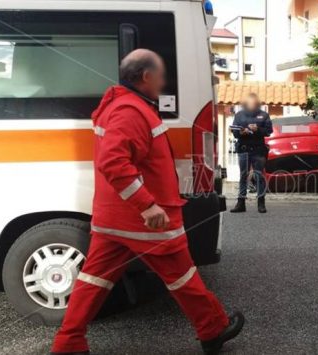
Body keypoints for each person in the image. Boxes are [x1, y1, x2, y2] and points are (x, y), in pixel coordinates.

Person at [50, 49, 244, 355]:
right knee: (183, 276)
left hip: (113, 217)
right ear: (146, 76)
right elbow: (114, 163)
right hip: (145, 221)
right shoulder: (130, 111)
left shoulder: (120, 104)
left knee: (93, 279)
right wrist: (147, 205)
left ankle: (68, 342)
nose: (163, 81)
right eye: (161, 75)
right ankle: (213, 329)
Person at [229, 93, 273, 213]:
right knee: (243, 175)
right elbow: (234, 131)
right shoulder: (239, 115)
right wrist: (240, 133)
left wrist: (257, 129)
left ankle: (261, 202)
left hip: (258, 149)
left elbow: (269, 131)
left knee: (259, 176)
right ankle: (241, 203)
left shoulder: (264, 115)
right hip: (243, 148)